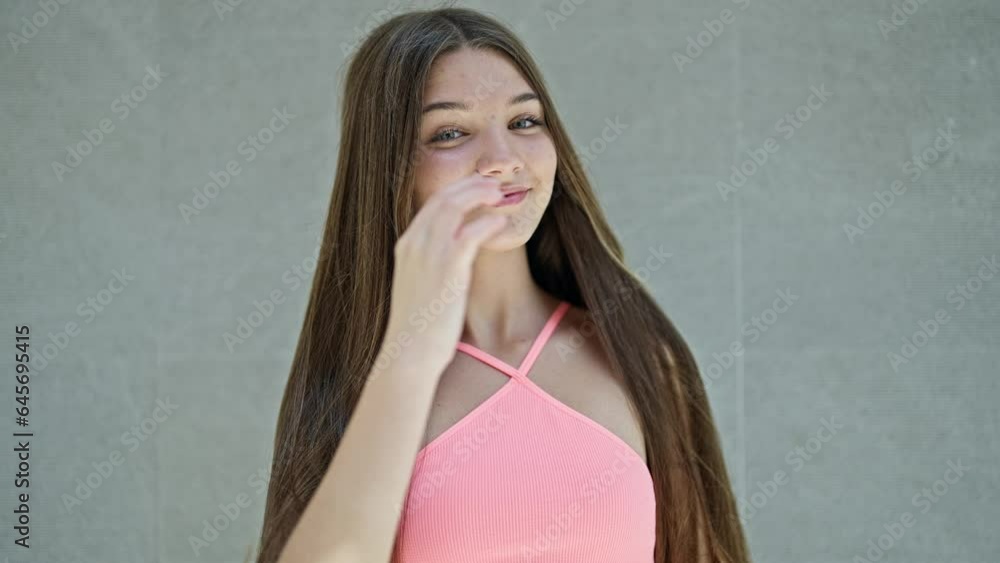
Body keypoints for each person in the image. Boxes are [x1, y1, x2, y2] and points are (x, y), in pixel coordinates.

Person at [254, 7, 749, 563]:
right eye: (450, 132)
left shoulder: (639, 354)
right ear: (388, 165)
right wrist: (410, 354)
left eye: (523, 122)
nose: (502, 160)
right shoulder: (362, 376)